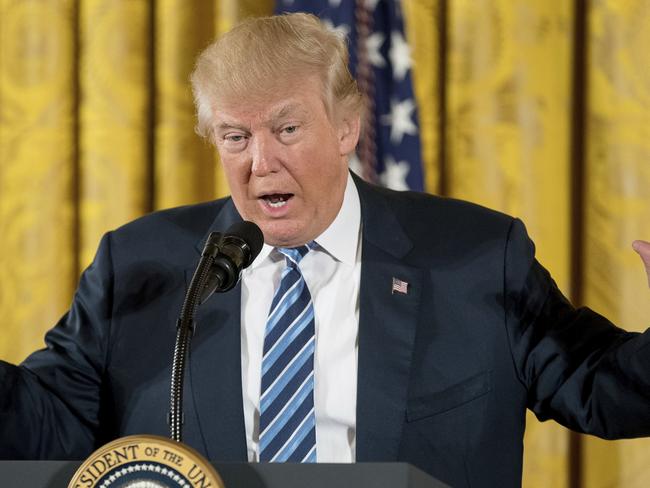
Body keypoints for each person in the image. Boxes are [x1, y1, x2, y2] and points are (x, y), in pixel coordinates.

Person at [1, 12, 650, 487]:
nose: (261, 162)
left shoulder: (476, 256)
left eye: (286, 128)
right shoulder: (143, 264)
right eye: (234, 136)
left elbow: (604, 389)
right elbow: (50, 423)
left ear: (346, 126)